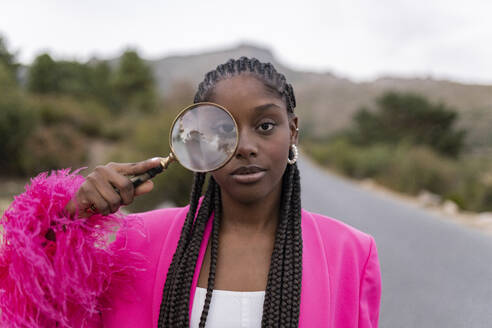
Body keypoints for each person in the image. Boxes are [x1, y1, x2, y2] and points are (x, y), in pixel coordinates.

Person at [0, 57, 381, 327]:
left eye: (265, 126)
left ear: (293, 130)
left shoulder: (350, 253)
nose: (245, 146)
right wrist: (67, 215)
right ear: (196, 141)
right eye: (221, 131)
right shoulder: (136, 243)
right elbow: (30, 305)